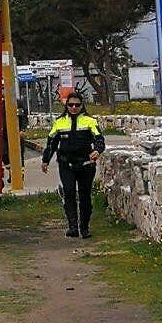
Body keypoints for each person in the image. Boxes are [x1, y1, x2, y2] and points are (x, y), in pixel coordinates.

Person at [41, 93, 105, 238]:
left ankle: (84, 228)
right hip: (66, 164)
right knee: (69, 192)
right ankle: (72, 226)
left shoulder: (90, 121)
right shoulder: (60, 122)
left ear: (82, 105)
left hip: (86, 164)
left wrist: (97, 150)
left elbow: (99, 139)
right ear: (67, 106)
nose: (74, 107)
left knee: (85, 196)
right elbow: (51, 143)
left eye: (77, 105)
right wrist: (46, 160)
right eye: (71, 105)